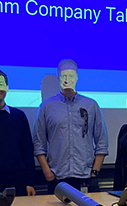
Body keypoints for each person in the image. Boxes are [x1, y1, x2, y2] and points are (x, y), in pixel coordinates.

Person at [33, 59, 109, 192]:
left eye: (71, 76)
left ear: (77, 78)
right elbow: (39, 143)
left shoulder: (91, 105)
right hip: (57, 177)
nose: (67, 79)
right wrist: (47, 172)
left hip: (86, 176)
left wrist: (95, 171)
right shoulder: (46, 107)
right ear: (58, 78)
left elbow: (101, 141)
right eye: (63, 76)